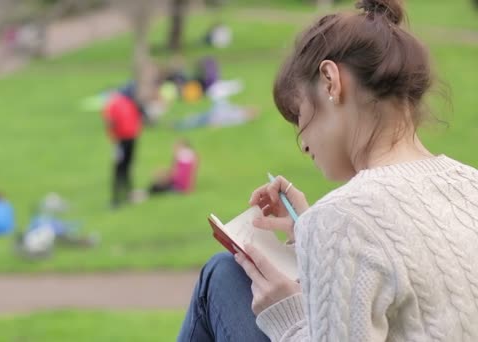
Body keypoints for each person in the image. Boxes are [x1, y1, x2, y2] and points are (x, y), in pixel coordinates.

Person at [178, 0, 478, 341]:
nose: (303, 144)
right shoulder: (470, 183)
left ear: (330, 81)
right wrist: (311, 235)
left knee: (221, 277)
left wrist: (287, 316)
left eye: (300, 116)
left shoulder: (343, 218)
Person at [104, 92, 143, 208]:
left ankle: (116, 199)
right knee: (127, 166)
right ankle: (128, 193)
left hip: (121, 140)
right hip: (132, 138)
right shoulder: (129, 102)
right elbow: (138, 117)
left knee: (118, 168)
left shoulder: (112, 105)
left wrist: (113, 137)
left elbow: (110, 122)